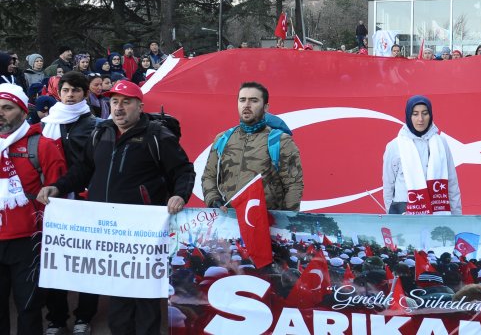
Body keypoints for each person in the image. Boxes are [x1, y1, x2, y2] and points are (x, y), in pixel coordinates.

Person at [37, 81, 195, 335]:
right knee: (117, 296)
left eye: (126, 101)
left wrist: (180, 194)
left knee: (144, 298)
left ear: (140, 106)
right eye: (114, 102)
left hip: (143, 232)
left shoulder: (157, 136)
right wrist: (57, 186)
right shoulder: (101, 132)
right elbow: (84, 169)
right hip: (109, 232)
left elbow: (183, 170)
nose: (119, 108)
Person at [0, 83, 67, 335]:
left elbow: (61, 192)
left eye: (7, 108)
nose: (1, 113)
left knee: (29, 309)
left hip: (29, 242)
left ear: (21, 110)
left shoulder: (42, 146)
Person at [39, 72, 101, 335]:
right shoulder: (47, 122)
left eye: (76, 90)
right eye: (66, 90)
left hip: (83, 199)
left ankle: (84, 317)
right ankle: (56, 317)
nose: (70, 95)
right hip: (53, 201)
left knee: (87, 262)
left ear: (85, 94)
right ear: (58, 93)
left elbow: (92, 165)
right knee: (55, 261)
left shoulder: (96, 124)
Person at [202, 82, 304, 212]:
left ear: (266, 107)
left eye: (254, 100)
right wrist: (213, 200)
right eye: (242, 100)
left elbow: (293, 185)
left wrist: (287, 222)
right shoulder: (222, 139)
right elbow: (208, 177)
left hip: (267, 224)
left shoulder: (281, 141)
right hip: (228, 221)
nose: (246, 105)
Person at [381, 95, 461, 214]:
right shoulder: (395, 146)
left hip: (437, 211)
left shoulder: (441, 143)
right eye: (415, 114)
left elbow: (452, 184)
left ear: (431, 115)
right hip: (405, 213)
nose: (420, 119)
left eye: (425, 113)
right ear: (408, 115)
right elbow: (388, 186)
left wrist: (457, 216)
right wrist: (392, 216)